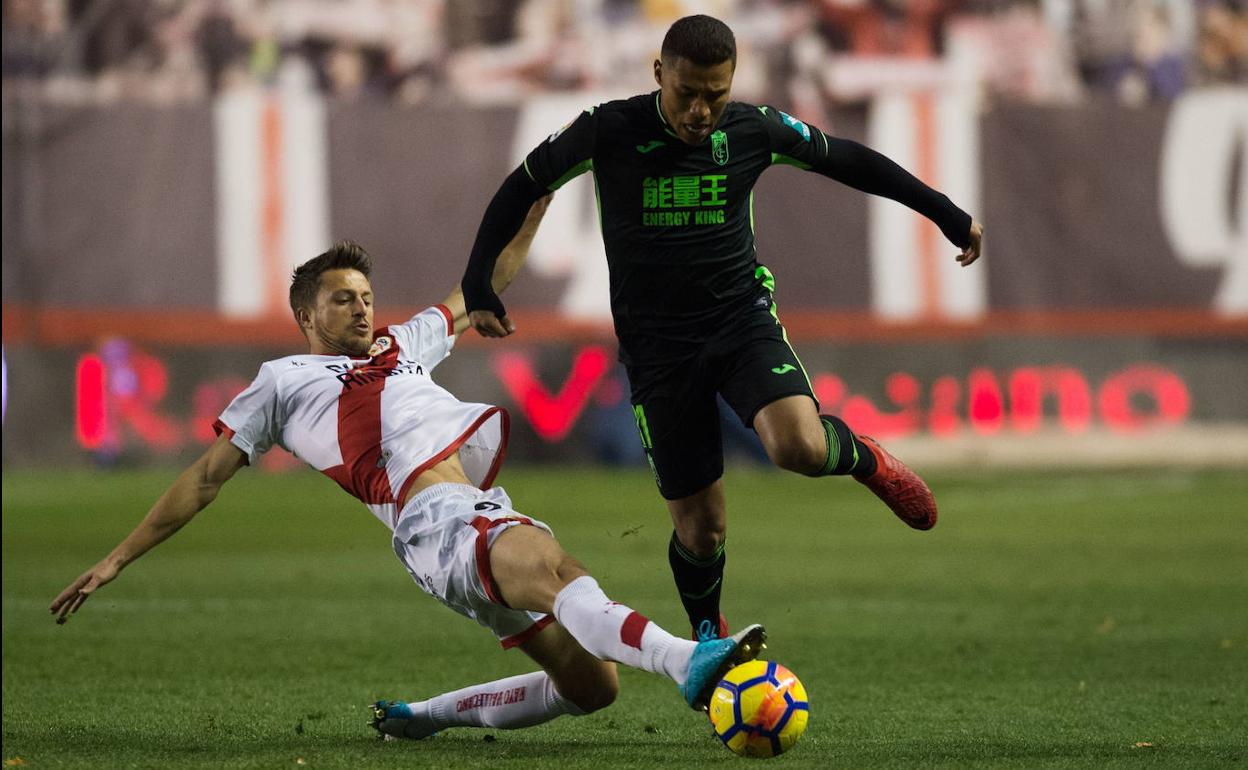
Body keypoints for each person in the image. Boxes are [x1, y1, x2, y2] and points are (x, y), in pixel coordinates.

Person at [49, 198, 767, 739]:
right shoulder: (284, 379)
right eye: (342, 299)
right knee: (560, 573)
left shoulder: (401, 346)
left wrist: (536, 202)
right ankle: (687, 662)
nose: (362, 308)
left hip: (455, 528)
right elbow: (205, 478)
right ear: (306, 312)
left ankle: (424, 716)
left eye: (366, 296)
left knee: (593, 688)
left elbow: (481, 286)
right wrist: (116, 559)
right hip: (436, 519)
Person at [460, 15, 984, 642]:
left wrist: (948, 215)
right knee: (701, 528)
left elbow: (849, 159)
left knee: (799, 448)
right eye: (689, 93)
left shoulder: (752, 129)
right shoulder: (608, 129)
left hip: (739, 319)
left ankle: (865, 458)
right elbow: (523, 185)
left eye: (717, 92)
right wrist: (476, 283)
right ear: (659, 75)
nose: (703, 109)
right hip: (658, 350)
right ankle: (710, 637)